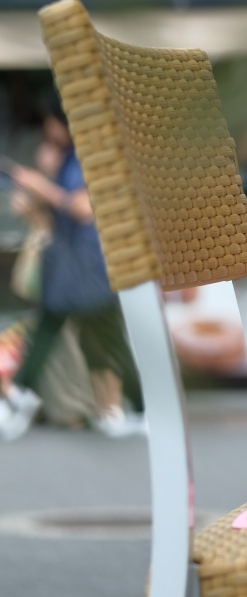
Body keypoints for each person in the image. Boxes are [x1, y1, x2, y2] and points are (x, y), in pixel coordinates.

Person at [0, 96, 144, 442]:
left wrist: (37, 183)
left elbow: (81, 208)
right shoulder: (68, 159)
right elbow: (58, 214)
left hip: (90, 262)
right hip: (77, 264)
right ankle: (129, 411)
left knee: (82, 330)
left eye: (50, 123)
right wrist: (36, 188)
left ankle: (21, 396)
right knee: (97, 337)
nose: (46, 131)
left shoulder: (88, 158)